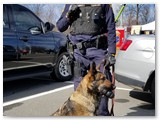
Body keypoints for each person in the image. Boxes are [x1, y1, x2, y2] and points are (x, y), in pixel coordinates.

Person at [56, 4, 116, 116]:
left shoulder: (104, 4)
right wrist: (68, 16)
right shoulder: (71, 4)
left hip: (98, 51)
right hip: (78, 53)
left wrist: (111, 53)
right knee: (79, 94)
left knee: (103, 89)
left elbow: (111, 27)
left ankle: (102, 115)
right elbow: (60, 26)